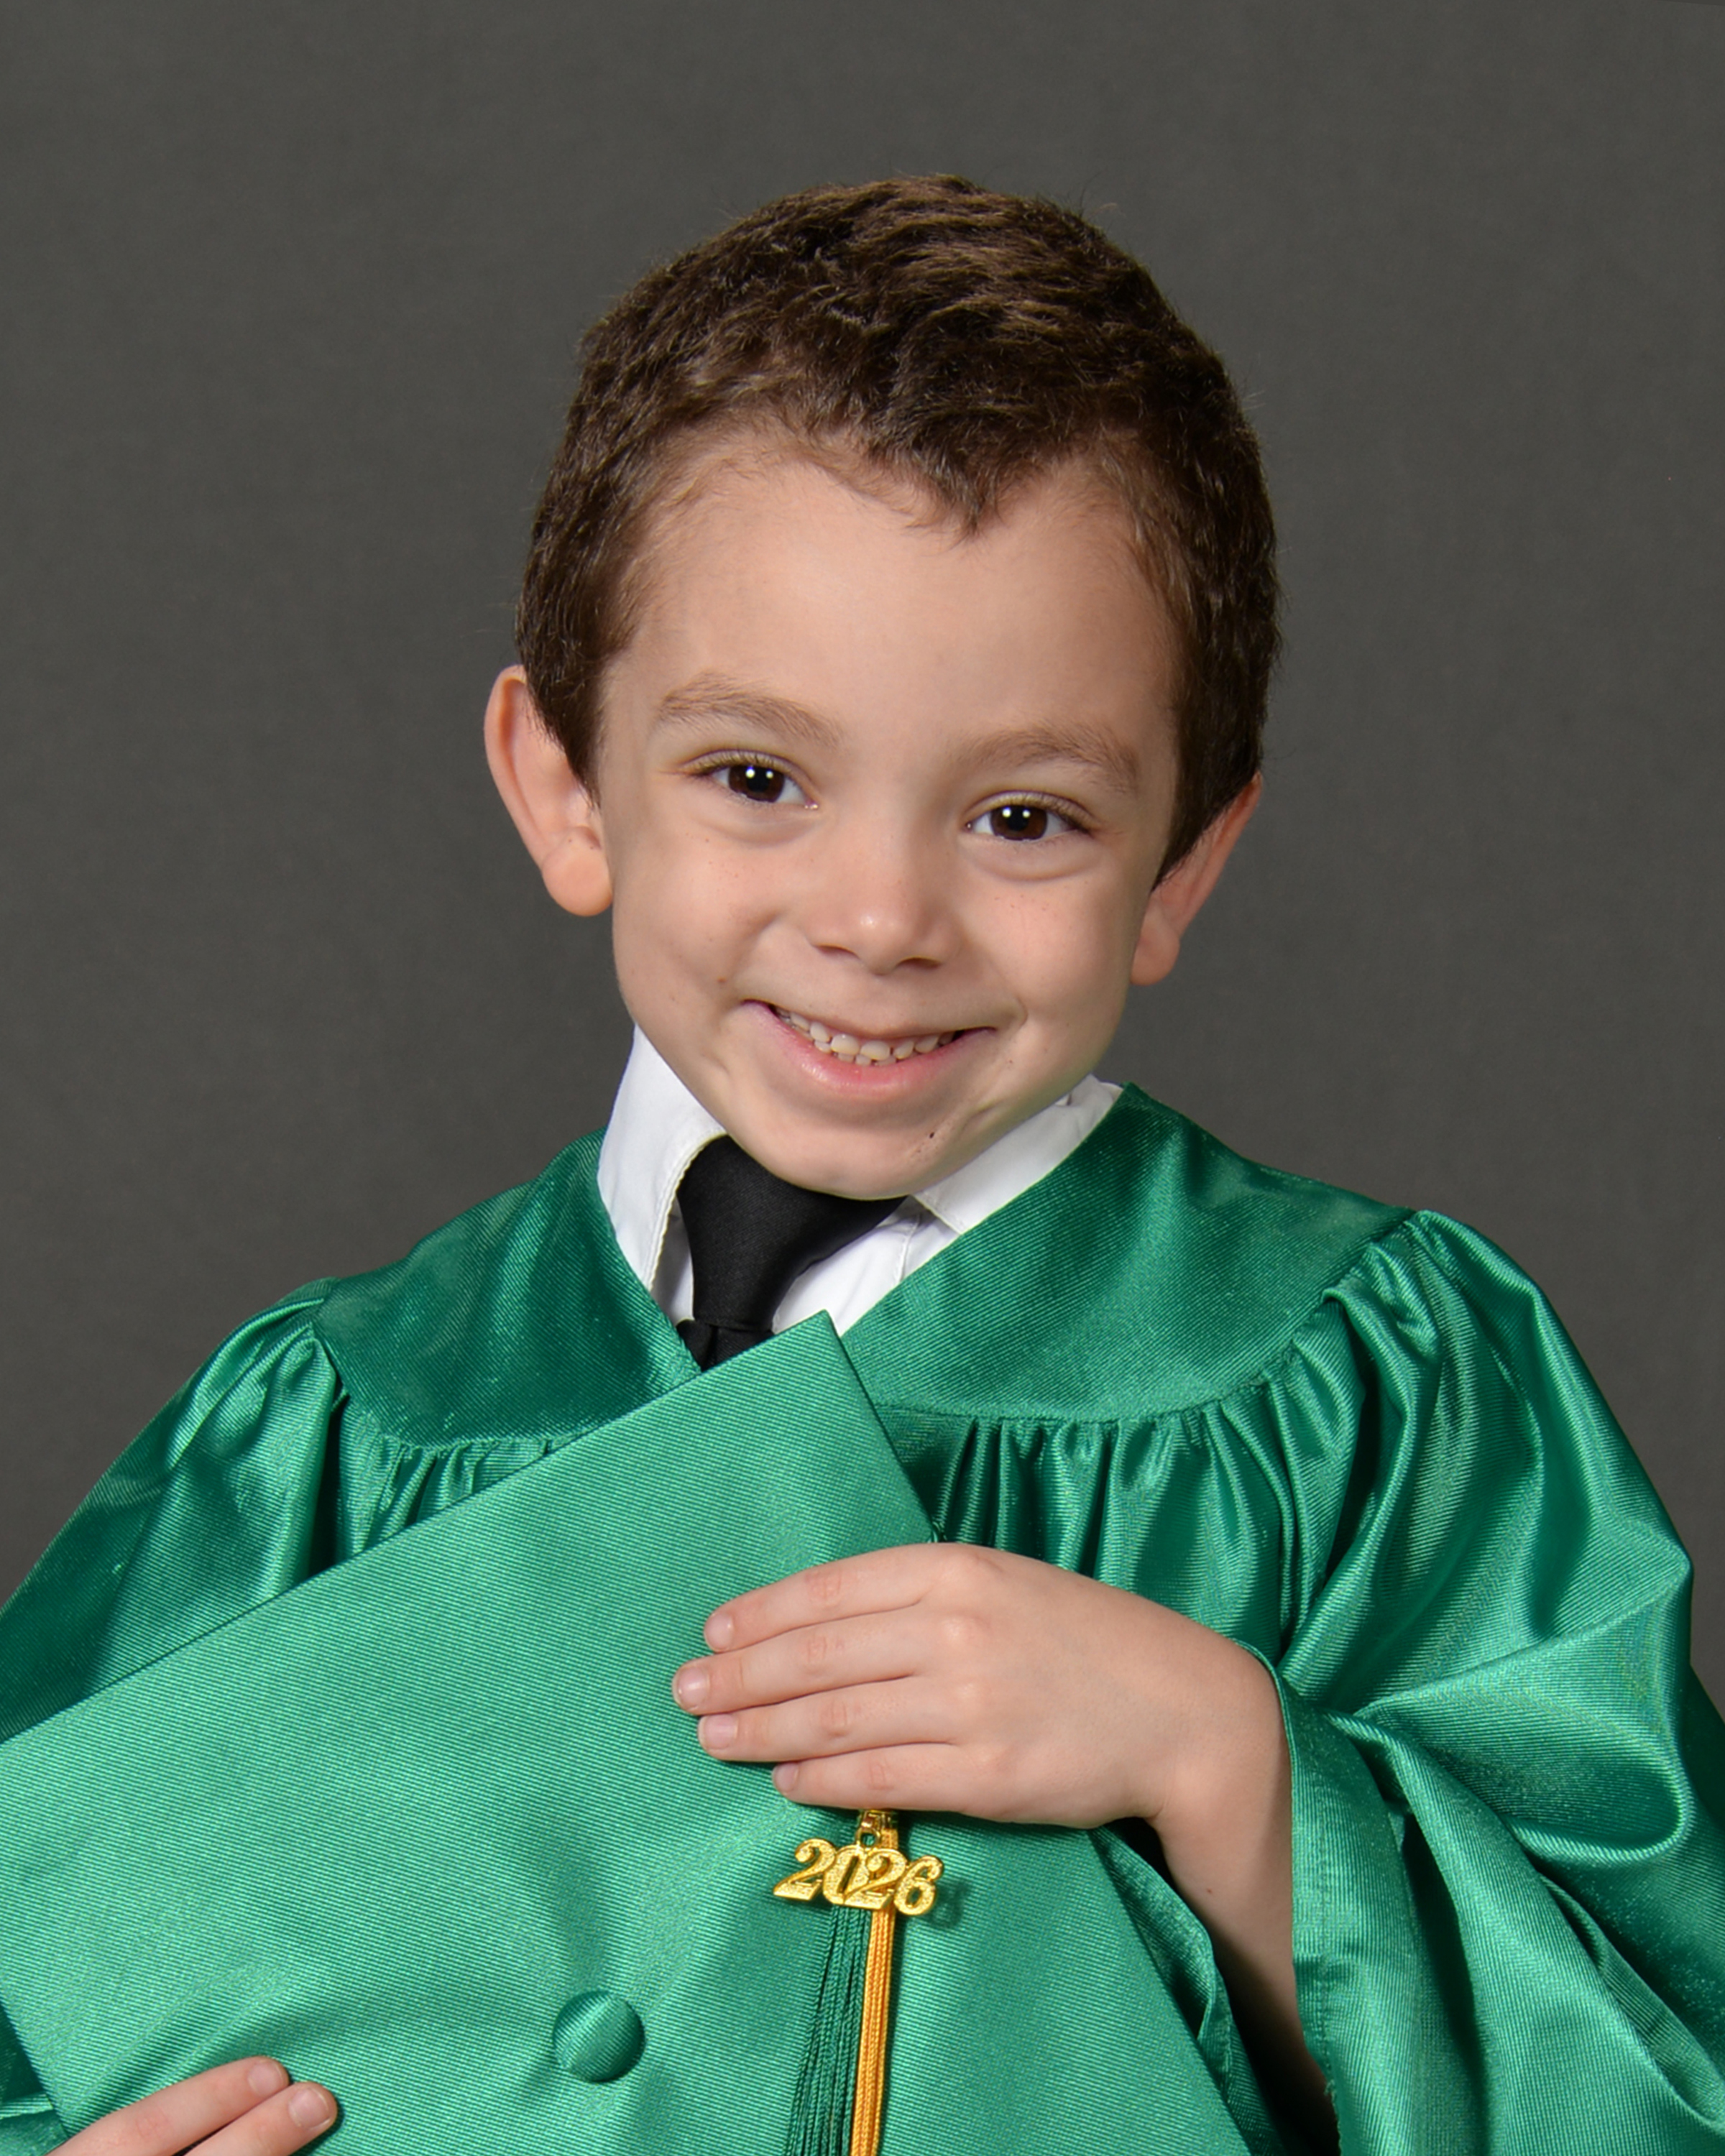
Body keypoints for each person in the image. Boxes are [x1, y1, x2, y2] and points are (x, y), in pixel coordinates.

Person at [0, 176, 1720, 2156]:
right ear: (566, 790)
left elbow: (1661, 2070)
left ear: (1183, 865)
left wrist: (1228, 1765)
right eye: (758, 779)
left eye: (1024, 816)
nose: (881, 917)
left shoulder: (1371, 1395)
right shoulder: (331, 1430)